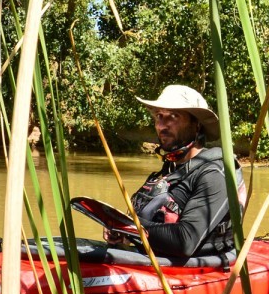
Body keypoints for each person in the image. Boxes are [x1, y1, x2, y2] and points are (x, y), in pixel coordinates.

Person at [104, 84, 245, 260]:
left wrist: (128, 227)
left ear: (197, 125)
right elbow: (143, 225)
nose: (161, 125)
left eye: (173, 116)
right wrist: (120, 233)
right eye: (158, 116)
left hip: (199, 270)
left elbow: (186, 240)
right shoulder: (165, 172)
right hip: (153, 262)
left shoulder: (214, 174)